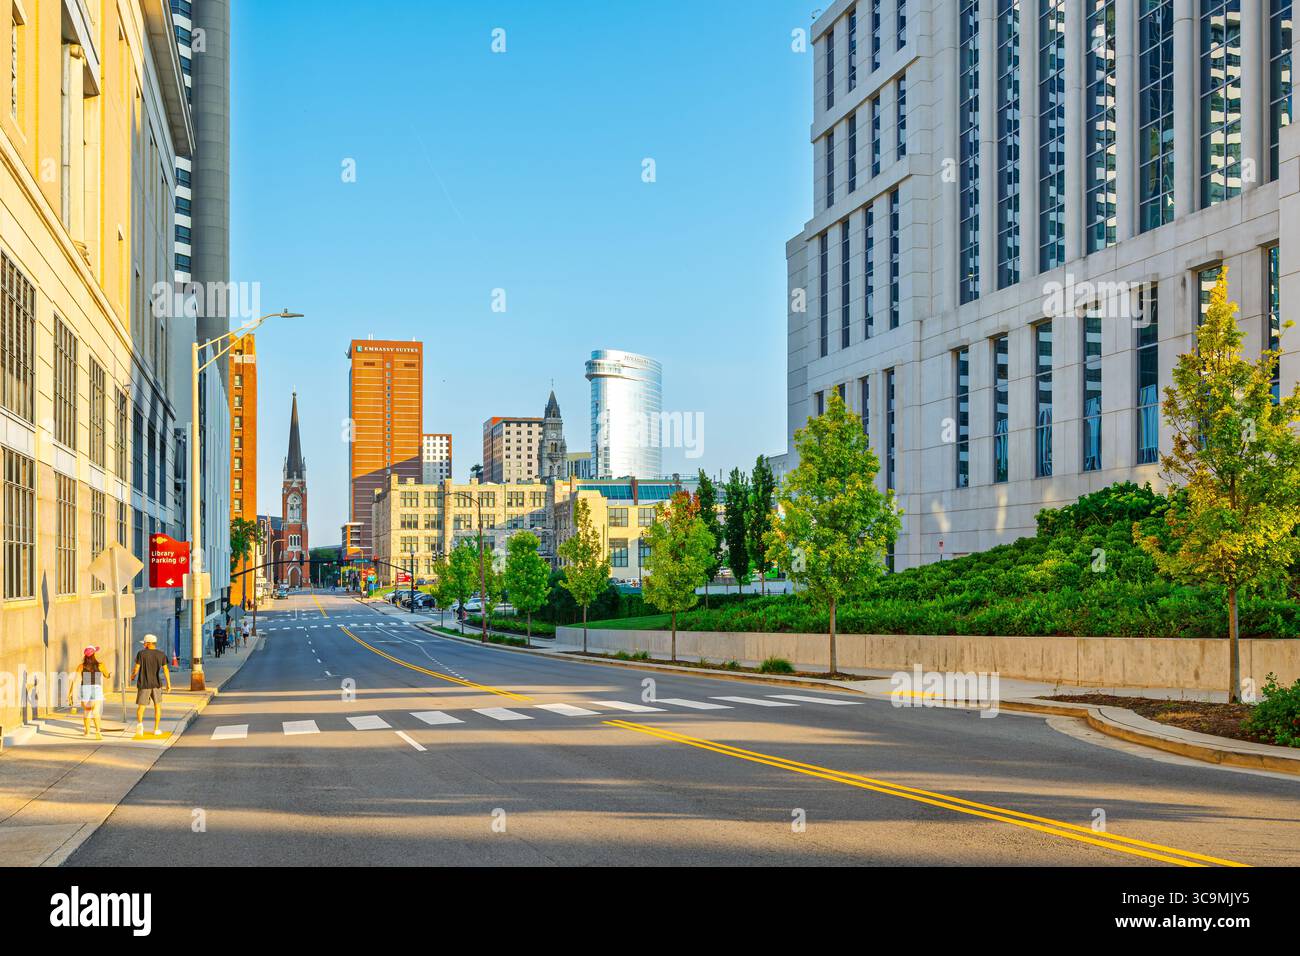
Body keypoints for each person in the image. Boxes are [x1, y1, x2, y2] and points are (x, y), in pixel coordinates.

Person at [130, 634, 171, 737]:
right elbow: (166, 670)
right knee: (157, 706)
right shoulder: (161, 654)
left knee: (141, 707)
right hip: (156, 684)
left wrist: (133, 676)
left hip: (144, 684)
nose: (143, 644)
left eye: (144, 642)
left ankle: (140, 725)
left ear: (148, 643)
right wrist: (168, 684)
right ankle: (156, 729)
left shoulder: (141, 654)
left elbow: (136, 668)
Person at [67, 647, 110, 740]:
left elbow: (75, 680)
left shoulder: (81, 666)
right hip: (96, 688)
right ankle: (98, 731)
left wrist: (70, 693)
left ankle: (87, 732)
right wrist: (108, 675)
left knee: (87, 711)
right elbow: (107, 675)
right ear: (94, 654)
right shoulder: (100, 665)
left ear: (85, 656)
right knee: (96, 711)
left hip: (85, 688)